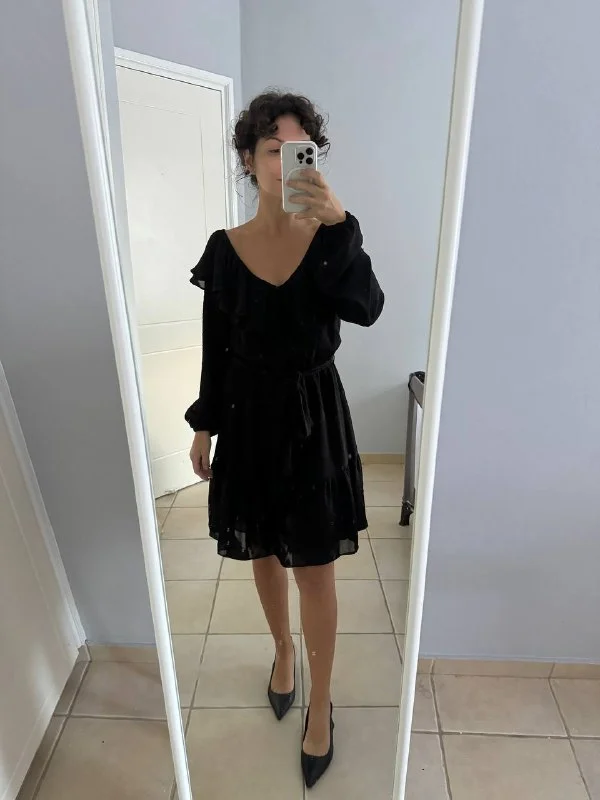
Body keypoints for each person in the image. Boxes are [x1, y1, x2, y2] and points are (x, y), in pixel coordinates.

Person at [185, 90, 384, 788]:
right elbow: (216, 347)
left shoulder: (329, 241)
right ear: (248, 158)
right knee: (263, 549)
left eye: (300, 150)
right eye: (273, 149)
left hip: (313, 415)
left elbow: (368, 308)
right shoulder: (224, 250)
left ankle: (321, 702)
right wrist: (204, 423)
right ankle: (282, 651)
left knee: (315, 567)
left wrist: (340, 226)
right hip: (246, 416)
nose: (285, 162)